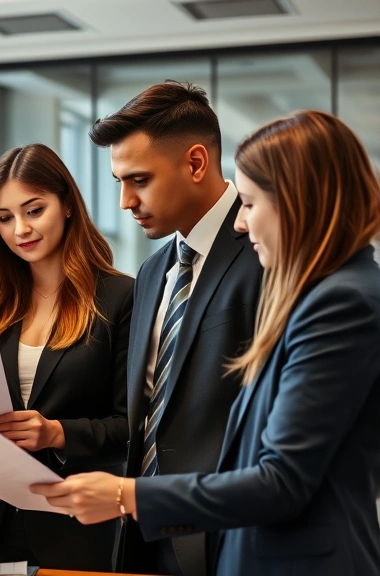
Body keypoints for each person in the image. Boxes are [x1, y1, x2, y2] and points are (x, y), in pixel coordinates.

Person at [34, 109, 380, 576]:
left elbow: (282, 478)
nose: (242, 222)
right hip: (187, 538)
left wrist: (127, 495)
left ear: (301, 202)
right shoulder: (159, 272)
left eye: (252, 204)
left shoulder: (339, 300)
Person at [89, 81, 262, 576]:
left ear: (195, 163)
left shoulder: (265, 253)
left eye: (139, 180)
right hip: (142, 532)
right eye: (120, 181)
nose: (125, 201)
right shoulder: (151, 272)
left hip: (226, 540)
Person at [0, 144, 132, 571]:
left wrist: (55, 433)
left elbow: (129, 426)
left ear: (67, 205)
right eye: (5, 217)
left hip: (73, 528)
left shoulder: (120, 297)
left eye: (34, 210)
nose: (20, 230)